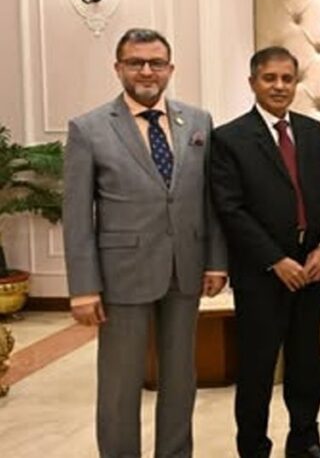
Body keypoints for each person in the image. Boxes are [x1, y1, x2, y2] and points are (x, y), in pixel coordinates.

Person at [62, 27, 228, 457]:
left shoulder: (198, 122)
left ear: (170, 69)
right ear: (118, 68)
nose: (147, 71)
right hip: (122, 274)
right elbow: (77, 215)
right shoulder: (89, 128)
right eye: (135, 63)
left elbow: (209, 199)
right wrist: (83, 288)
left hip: (185, 268)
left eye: (156, 63)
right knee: (120, 383)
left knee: (181, 377)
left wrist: (215, 261)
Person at [210, 47, 320, 458]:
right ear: (253, 82)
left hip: (311, 268)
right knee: (258, 369)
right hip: (261, 273)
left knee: (306, 364)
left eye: (287, 78)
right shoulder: (229, 138)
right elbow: (230, 208)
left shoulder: (311, 131)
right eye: (270, 78)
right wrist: (275, 259)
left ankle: (305, 442)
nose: (280, 86)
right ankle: (253, 448)